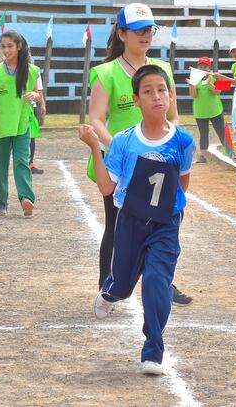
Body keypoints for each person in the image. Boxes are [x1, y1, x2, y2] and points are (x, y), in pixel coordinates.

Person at [79, 64, 196, 376]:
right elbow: (107, 187)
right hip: (130, 220)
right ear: (136, 100)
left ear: (171, 96)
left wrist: (166, 212)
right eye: (148, 92)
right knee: (123, 284)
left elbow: (182, 184)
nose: (157, 96)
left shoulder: (183, 142)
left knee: (157, 281)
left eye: (162, 90)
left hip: (165, 223)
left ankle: (153, 351)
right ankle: (111, 291)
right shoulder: (123, 141)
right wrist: (94, 147)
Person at [89, 2, 193, 306]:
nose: (145, 35)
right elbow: (96, 118)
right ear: (122, 34)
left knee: (162, 222)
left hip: (160, 164)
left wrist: (169, 145)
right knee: (117, 224)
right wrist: (122, 150)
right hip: (120, 163)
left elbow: (174, 116)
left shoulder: (162, 70)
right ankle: (107, 285)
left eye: (149, 30)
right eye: (138, 31)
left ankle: (163, 281)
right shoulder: (106, 72)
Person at [0, 30, 43, 216]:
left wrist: (35, 95)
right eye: (3, 47)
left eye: (10, 46)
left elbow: (38, 94)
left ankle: (26, 198)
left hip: (22, 124)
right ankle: (2, 202)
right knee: (1, 164)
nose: (6, 50)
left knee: (21, 162)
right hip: (1, 124)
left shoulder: (32, 70)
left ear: (19, 47)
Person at [187, 56, 226, 163]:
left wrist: (209, 83)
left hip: (215, 110)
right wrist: (191, 84)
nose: (203, 68)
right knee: (203, 133)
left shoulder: (216, 76)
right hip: (200, 112)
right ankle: (203, 156)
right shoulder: (194, 77)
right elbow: (193, 95)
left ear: (209, 67)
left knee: (222, 132)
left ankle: (230, 152)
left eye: (205, 66)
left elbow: (218, 92)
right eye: (201, 66)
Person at [28, 99, 46, 174]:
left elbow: (38, 90)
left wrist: (42, 104)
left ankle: (30, 164)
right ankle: (0, 165)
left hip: (31, 107)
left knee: (31, 136)